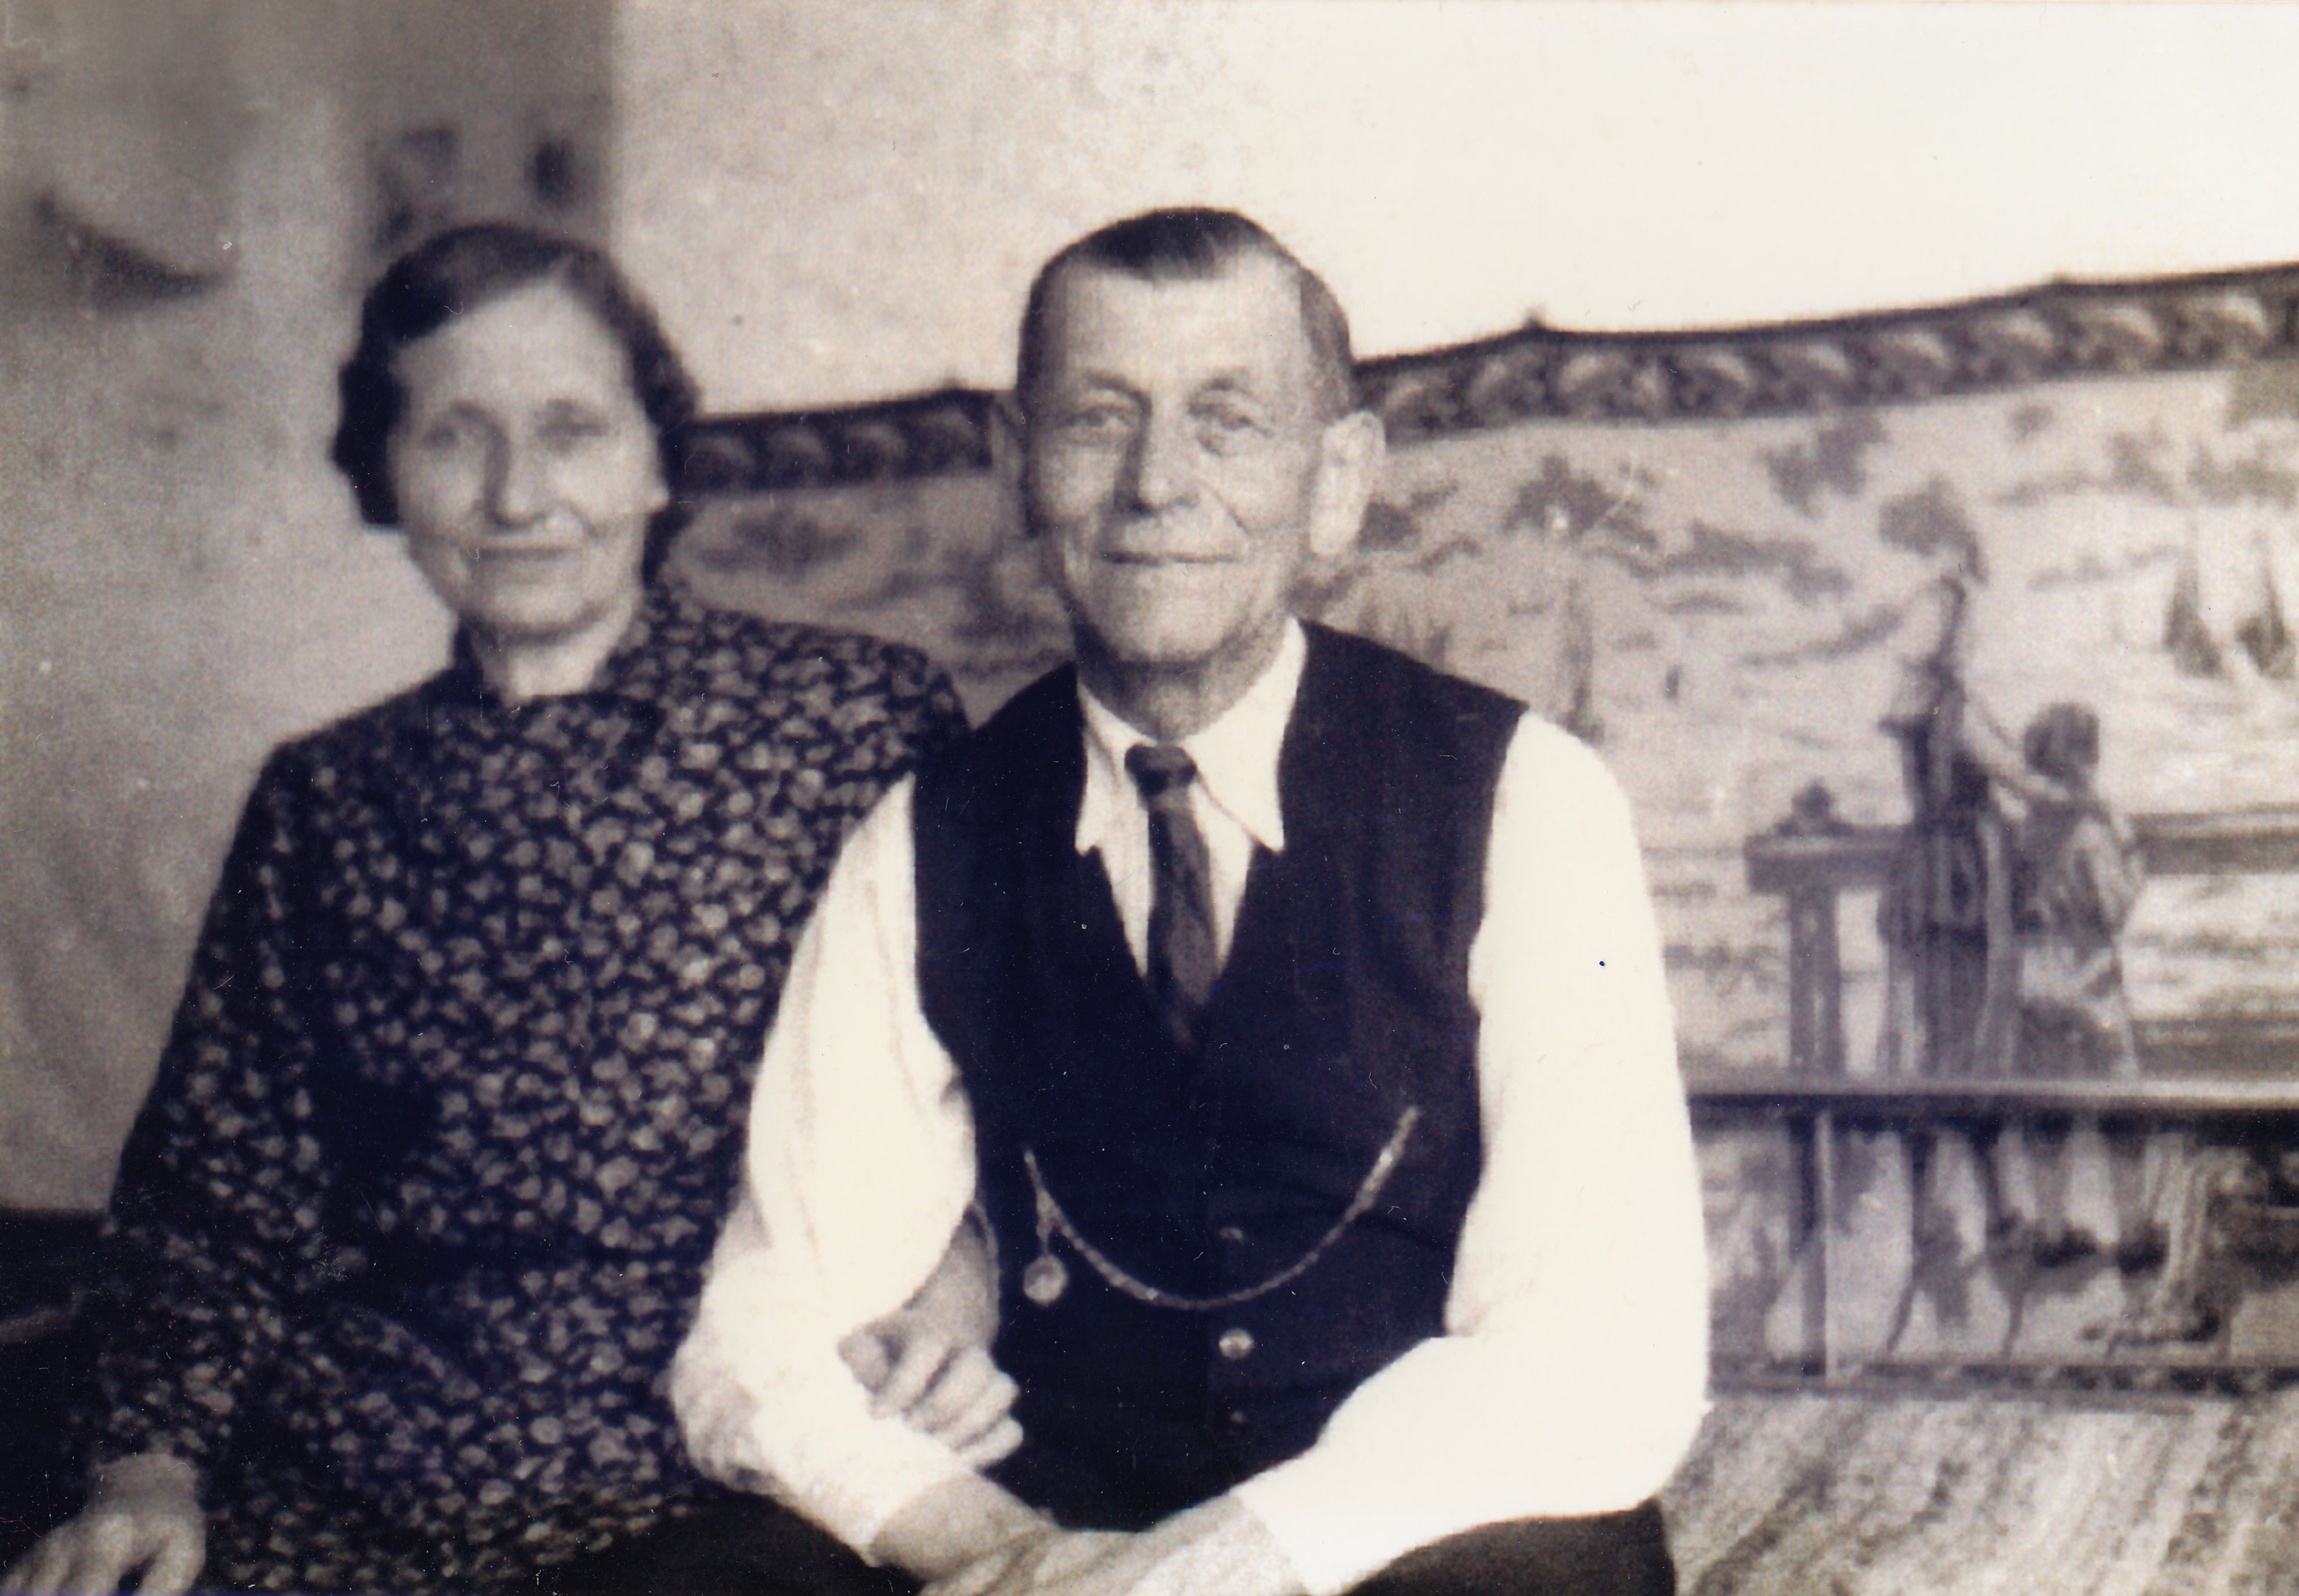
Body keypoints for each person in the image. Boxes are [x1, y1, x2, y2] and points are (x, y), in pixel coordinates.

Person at [670, 208, 1709, 1596]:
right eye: (1098, 421)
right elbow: (765, 1327)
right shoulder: (924, 837)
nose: (1156, 485)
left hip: (1388, 1529)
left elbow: (1591, 1351)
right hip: (1041, 1517)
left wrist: (1203, 1574)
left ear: (1336, 482)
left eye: (1228, 424)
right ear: (1016, 466)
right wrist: (994, 1552)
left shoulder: (1527, 799)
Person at [2, 223, 977, 1596]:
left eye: (572, 430)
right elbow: (218, 1191)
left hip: (724, 1464)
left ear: (656, 460)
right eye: (455, 438)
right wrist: (147, 1474)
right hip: (346, 1481)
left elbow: (1000, 1079)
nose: (519, 496)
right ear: (385, 472)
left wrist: (954, 1282)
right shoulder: (327, 797)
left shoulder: (851, 720)